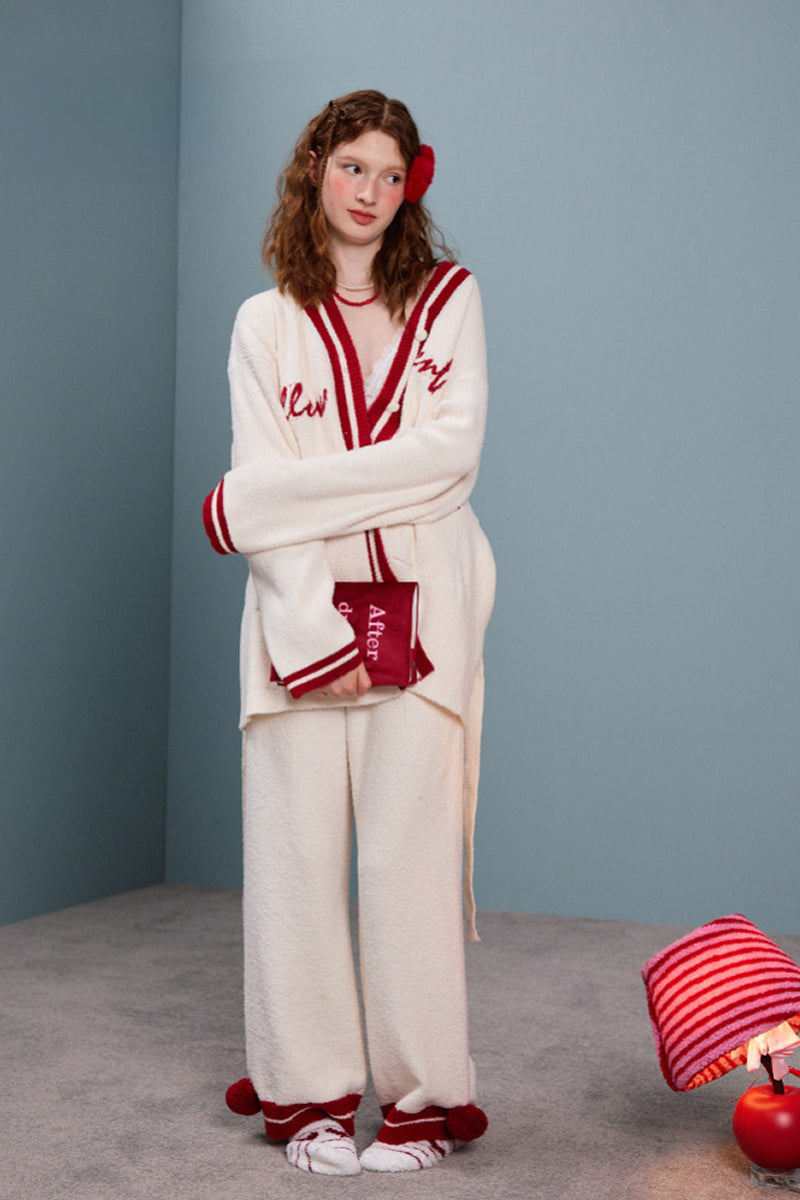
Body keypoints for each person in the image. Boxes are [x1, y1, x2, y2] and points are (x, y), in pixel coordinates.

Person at [202, 89, 495, 1176]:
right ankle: (307, 1096)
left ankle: (422, 1102)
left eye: (390, 173)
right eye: (351, 166)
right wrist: (307, 622)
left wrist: (263, 500)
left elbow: (448, 459)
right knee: (294, 866)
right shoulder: (263, 323)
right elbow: (273, 490)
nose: (369, 191)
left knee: (408, 867)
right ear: (315, 169)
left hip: (427, 613)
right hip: (295, 618)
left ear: (410, 187)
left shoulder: (449, 300)